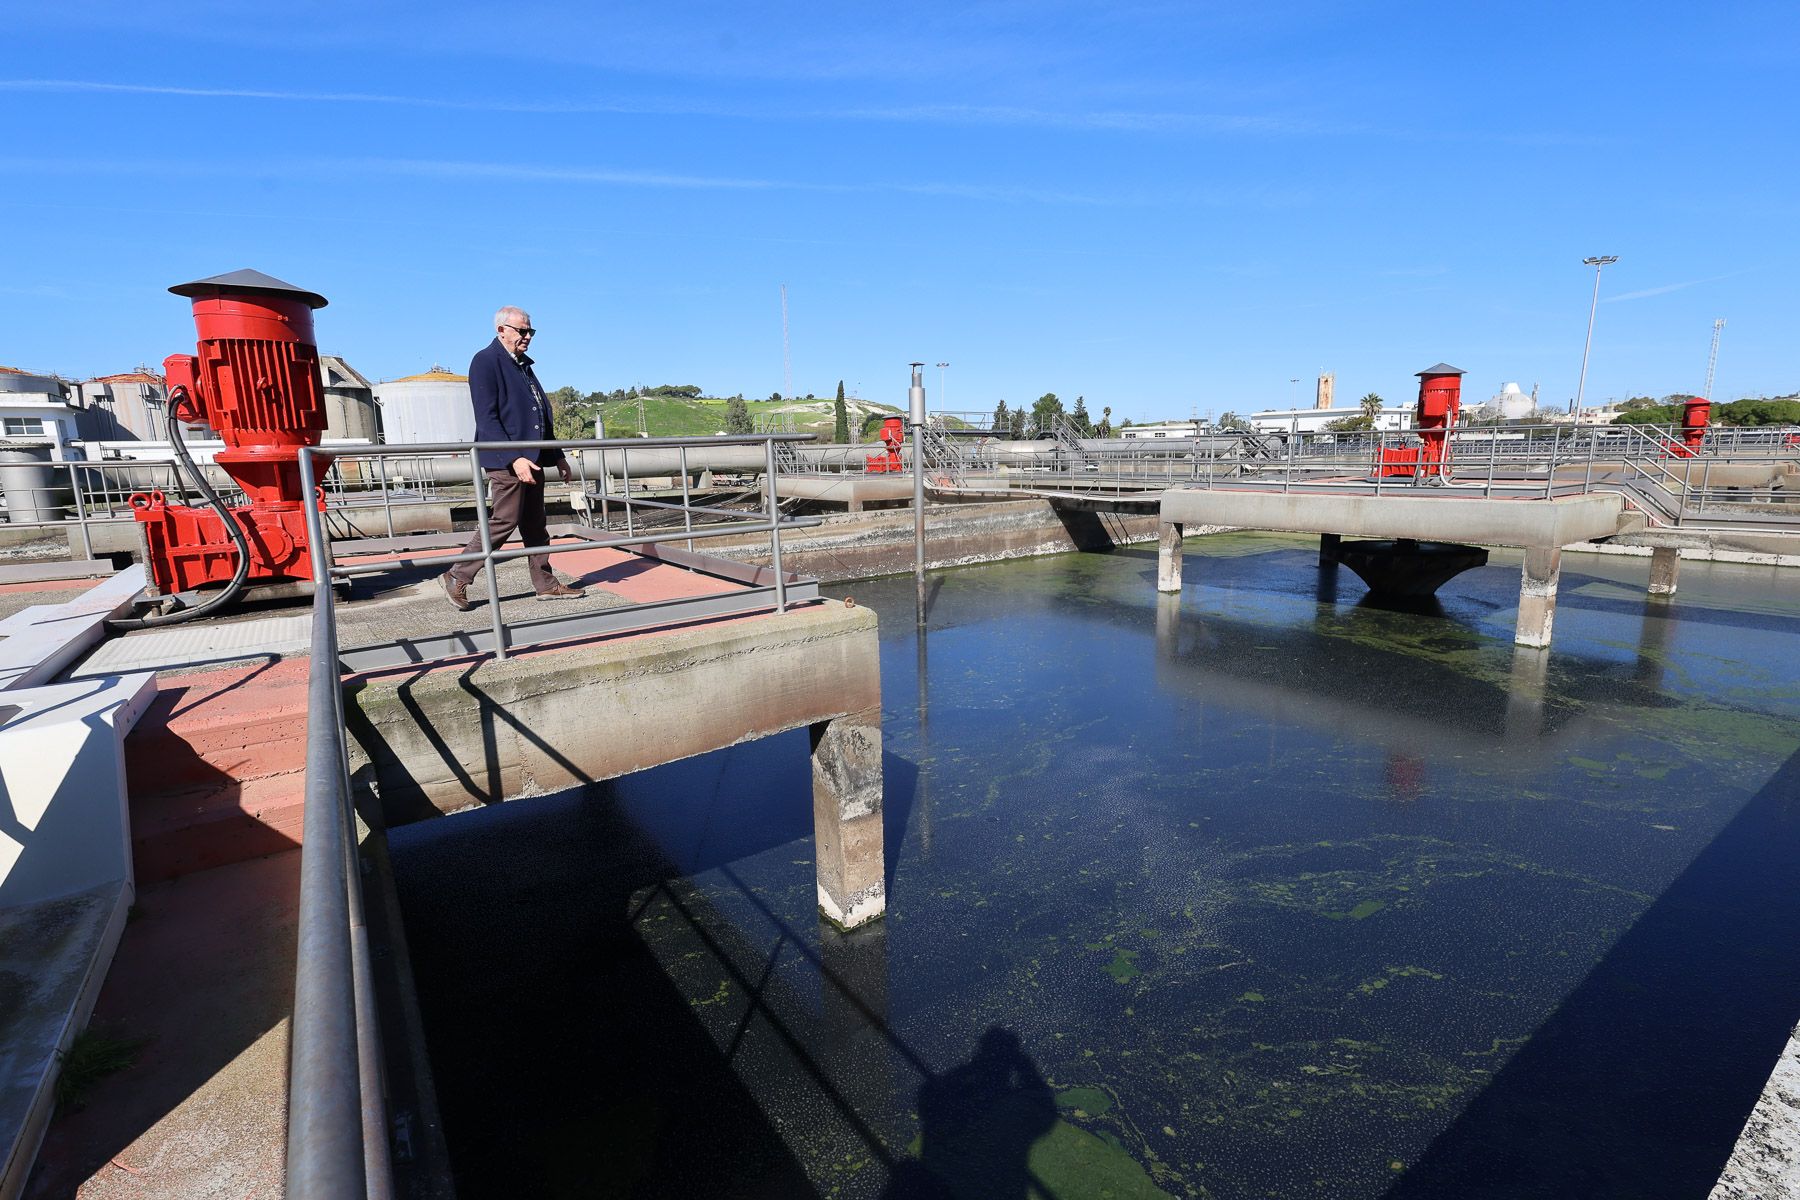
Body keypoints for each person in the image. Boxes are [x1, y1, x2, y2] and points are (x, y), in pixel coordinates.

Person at [441, 306, 585, 609]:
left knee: (535, 524)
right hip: (507, 461)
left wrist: (556, 455)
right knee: (504, 520)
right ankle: (458, 575)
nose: (528, 336)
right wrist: (513, 458)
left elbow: (539, 415)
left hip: (531, 459)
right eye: (522, 330)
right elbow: (487, 419)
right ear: (501, 330)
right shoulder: (486, 361)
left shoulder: (522, 365)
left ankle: (545, 584)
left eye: (530, 331)